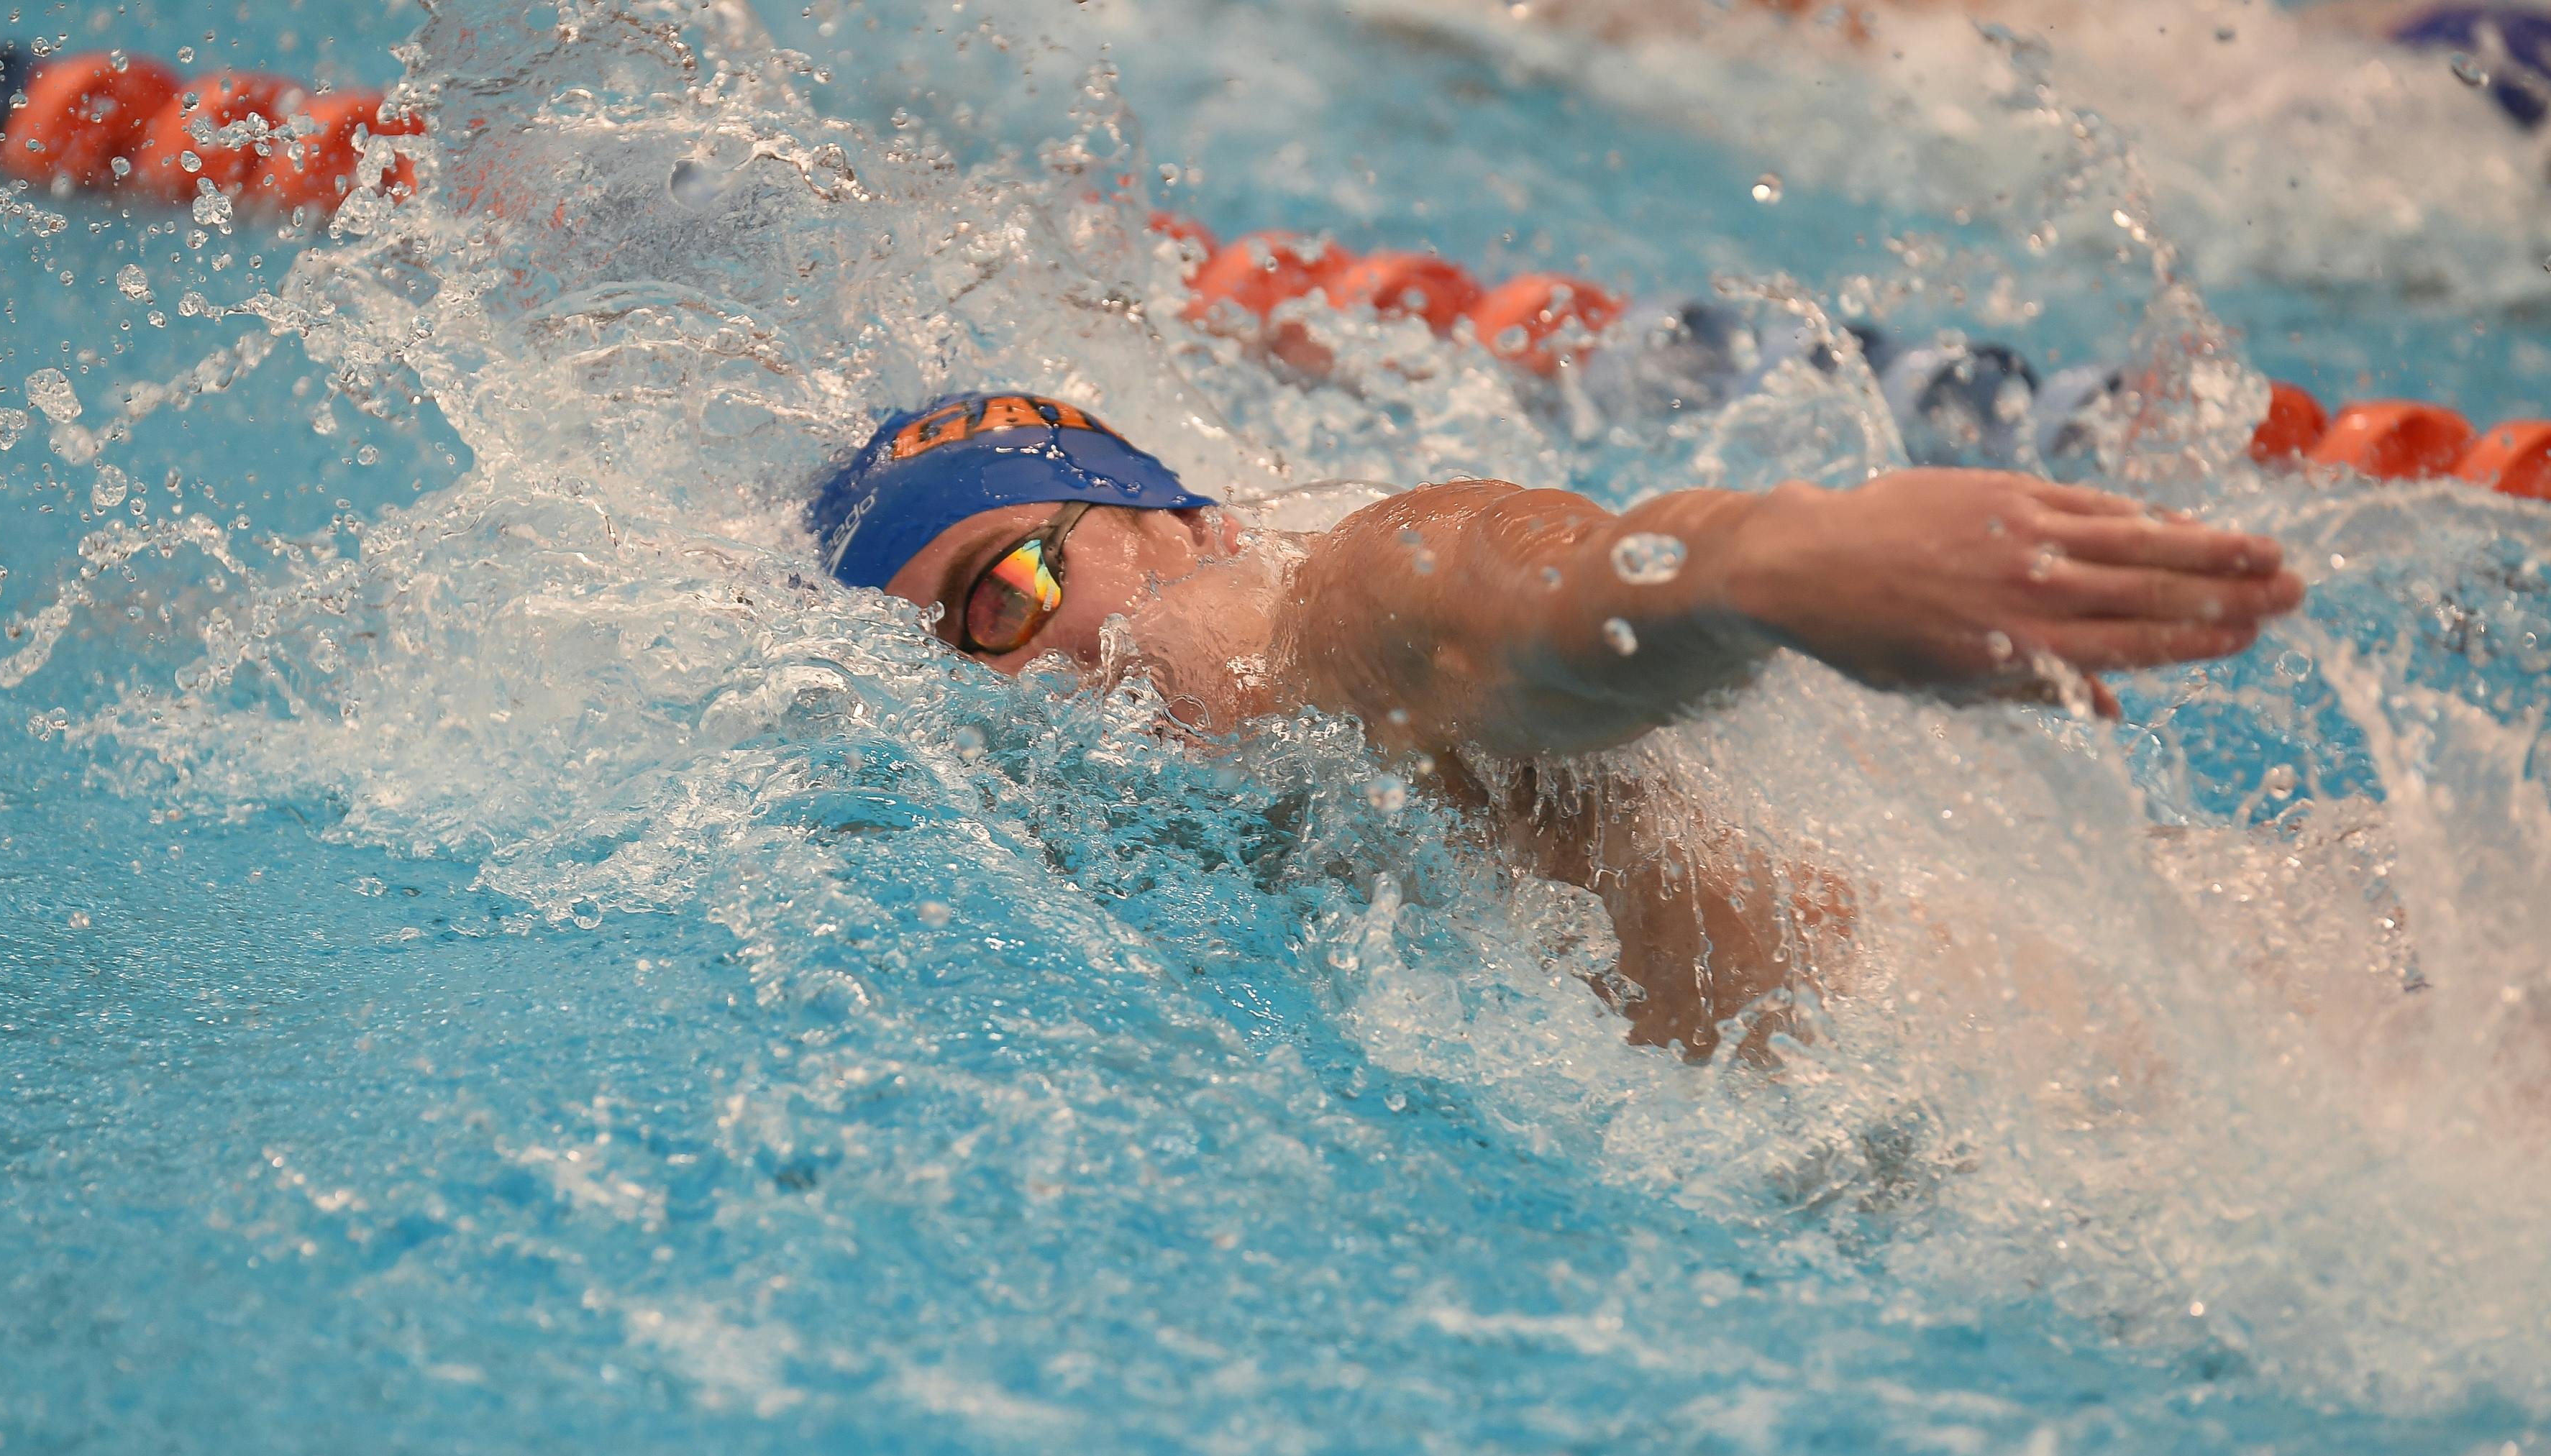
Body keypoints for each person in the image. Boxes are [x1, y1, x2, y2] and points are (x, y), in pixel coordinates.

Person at [811, 391, 2306, 1057]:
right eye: (953, 658)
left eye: (1005, 590)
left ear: (1188, 526)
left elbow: (1480, 592)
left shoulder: (1301, 617)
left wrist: (1762, 566)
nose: (1015, 673)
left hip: (2172, 1056)